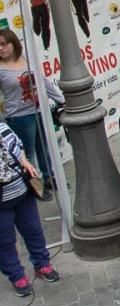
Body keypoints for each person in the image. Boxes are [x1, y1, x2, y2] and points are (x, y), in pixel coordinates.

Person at [0, 30, 64, 201]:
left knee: (44, 148)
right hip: (19, 117)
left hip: (39, 111)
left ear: (13, 43)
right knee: (27, 155)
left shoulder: (25, 60)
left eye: (4, 44)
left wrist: (61, 100)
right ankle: (35, 187)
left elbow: (42, 82)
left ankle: (50, 179)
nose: (1, 48)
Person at [0, 122, 59, 297]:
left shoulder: (3, 128)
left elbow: (19, 146)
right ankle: (17, 276)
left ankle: (42, 265)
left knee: (33, 230)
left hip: (23, 193)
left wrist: (24, 161)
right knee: (5, 242)